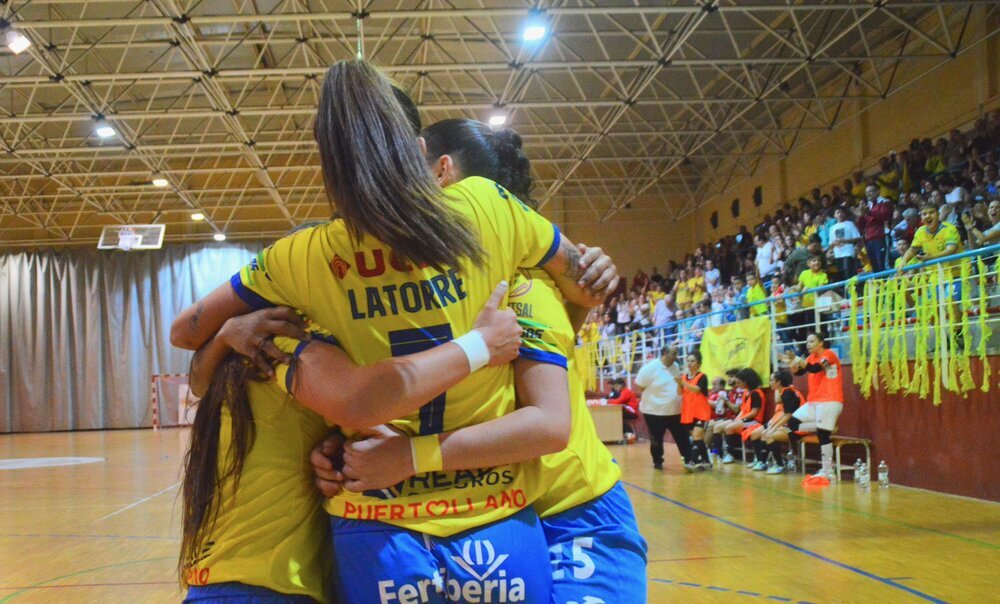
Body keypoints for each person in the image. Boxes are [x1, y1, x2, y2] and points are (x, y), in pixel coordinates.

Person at [170, 61, 619, 603]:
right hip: (497, 510)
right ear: (422, 151)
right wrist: (570, 292)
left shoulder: (302, 262)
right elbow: (583, 289)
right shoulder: (495, 217)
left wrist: (229, 339)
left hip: (373, 521)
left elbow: (191, 338)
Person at [178, 289, 523, 602]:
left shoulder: (243, 355)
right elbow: (374, 413)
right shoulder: (291, 345)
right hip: (267, 581)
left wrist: (224, 334)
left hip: (218, 577)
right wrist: (481, 345)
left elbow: (197, 379)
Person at [783, 333, 844, 484]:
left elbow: (815, 369)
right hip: (814, 402)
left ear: (821, 343)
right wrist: (791, 362)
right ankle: (823, 426)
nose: (808, 344)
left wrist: (798, 359)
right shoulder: (810, 357)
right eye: (807, 341)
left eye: (811, 341)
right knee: (791, 424)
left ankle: (828, 470)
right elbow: (800, 372)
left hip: (830, 400)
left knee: (823, 435)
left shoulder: (829, 355)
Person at [634, 347, 690, 471]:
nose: (677, 355)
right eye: (674, 353)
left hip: (675, 411)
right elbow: (640, 386)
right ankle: (658, 461)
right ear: (665, 353)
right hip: (654, 412)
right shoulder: (649, 368)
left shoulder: (675, 365)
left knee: (682, 437)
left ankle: (688, 459)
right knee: (656, 439)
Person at [748, 369, 804, 474]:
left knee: (770, 435)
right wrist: (772, 427)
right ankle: (763, 461)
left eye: (772, 380)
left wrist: (772, 428)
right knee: (763, 433)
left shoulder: (788, 393)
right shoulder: (785, 392)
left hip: (796, 430)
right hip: (789, 426)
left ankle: (779, 464)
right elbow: (784, 414)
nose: (770, 383)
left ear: (778, 382)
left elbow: (788, 415)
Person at [710, 368, 765, 464]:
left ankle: (730, 455)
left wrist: (741, 420)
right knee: (717, 427)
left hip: (754, 421)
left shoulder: (756, 393)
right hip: (744, 419)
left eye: (740, 382)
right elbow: (743, 410)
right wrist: (737, 419)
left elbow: (754, 413)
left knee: (729, 428)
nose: (738, 385)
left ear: (746, 381)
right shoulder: (746, 391)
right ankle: (716, 453)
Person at [678, 352, 712, 470]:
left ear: (699, 363)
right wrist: (679, 383)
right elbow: (679, 392)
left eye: (692, 361)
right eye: (688, 360)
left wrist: (683, 383)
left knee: (697, 436)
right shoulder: (684, 378)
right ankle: (707, 462)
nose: (689, 363)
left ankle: (691, 461)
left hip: (701, 412)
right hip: (688, 413)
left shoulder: (702, 376)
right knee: (698, 439)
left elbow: (697, 390)